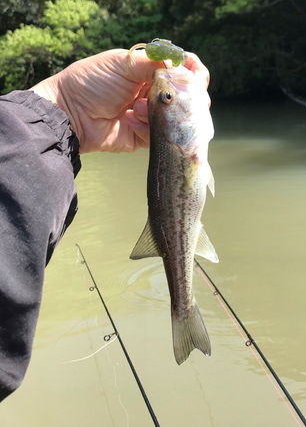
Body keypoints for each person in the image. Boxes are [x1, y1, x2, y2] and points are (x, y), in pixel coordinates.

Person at [0, 48, 210, 402]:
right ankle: (183, 309)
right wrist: (65, 105)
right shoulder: (187, 152)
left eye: (165, 98)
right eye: (168, 98)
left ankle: (182, 309)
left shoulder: (187, 149)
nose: (167, 92)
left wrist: (68, 106)